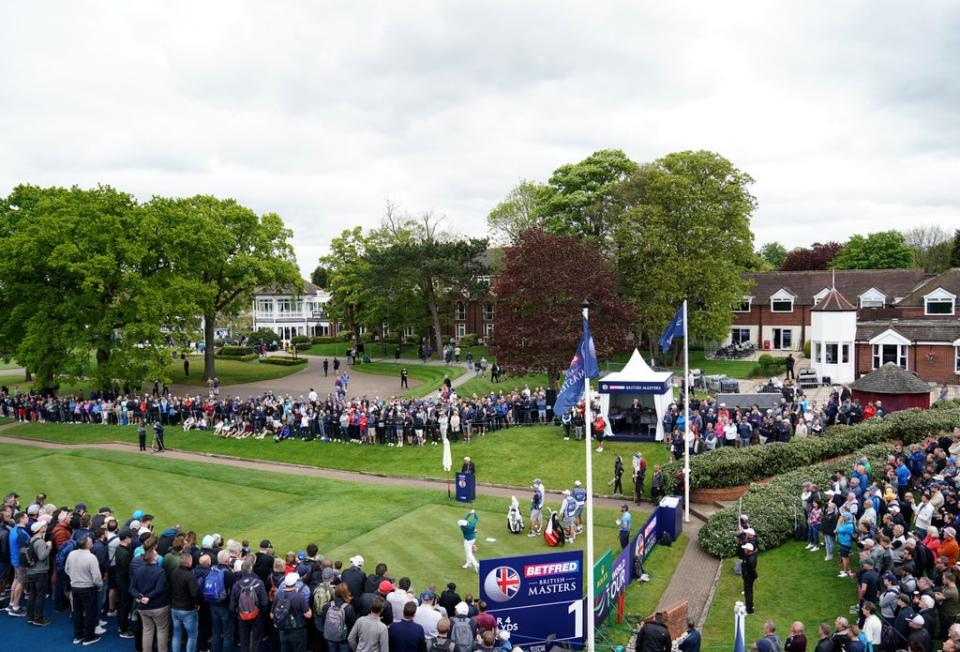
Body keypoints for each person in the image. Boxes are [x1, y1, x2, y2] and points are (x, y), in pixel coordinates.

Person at [66, 535, 104, 645]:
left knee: (77, 612)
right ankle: (89, 637)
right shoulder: (91, 557)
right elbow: (96, 577)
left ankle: (78, 635)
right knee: (90, 612)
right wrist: (99, 585)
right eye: (91, 542)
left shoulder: (72, 554)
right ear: (88, 545)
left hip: (75, 587)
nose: (92, 543)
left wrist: (75, 578)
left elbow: (67, 569)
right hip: (88, 588)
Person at [230, 554, 269, 652]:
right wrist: (261, 612)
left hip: (242, 616)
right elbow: (264, 602)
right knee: (256, 640)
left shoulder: (236, 585)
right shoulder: (259, 583)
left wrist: (237, 613)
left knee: (244, 641)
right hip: (256, 615)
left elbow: (232, 605)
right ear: (251, 569)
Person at [273, 571, 313, 652]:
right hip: (297, 631)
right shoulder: (299, 597)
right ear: (295, 583)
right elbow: (308, 615)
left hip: (283, 630)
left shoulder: (278, 595)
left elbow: (272, 615)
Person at [170, 551, 201, 652]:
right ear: (189, 562)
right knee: (192, 636)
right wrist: (198, 604)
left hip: (174, 608)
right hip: (187, 610)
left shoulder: (174, 572)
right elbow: (194, 594)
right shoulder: (189, 576)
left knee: (176, 634)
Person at [25, 519, 52, 626]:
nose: (44, 527)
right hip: (40, 572)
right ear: (39, 530)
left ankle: (30, 616)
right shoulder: (40, 542)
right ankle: (38, 618)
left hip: (31, 571)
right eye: (42, 527)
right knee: (40, 595)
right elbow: (42, 557)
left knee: (33, 594)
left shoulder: (31, 539)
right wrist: (49, 547)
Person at [322, 581, 357, 652]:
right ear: (346, 592)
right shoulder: (349, 608)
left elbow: (324, 620)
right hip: (344, 639)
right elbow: (353, 624)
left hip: (330, 636)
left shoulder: (327, 606)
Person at [741, 542, 758, 614]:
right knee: (749, 592)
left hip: (748, 578)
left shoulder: (750, 560)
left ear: (748, 550)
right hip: (749, 577)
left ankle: (749, 609)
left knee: (748, 593)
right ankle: (750, 606)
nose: (744, 550)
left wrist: (746, 575)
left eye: (745, 549)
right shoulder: (750, 556)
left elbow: (751, 570)